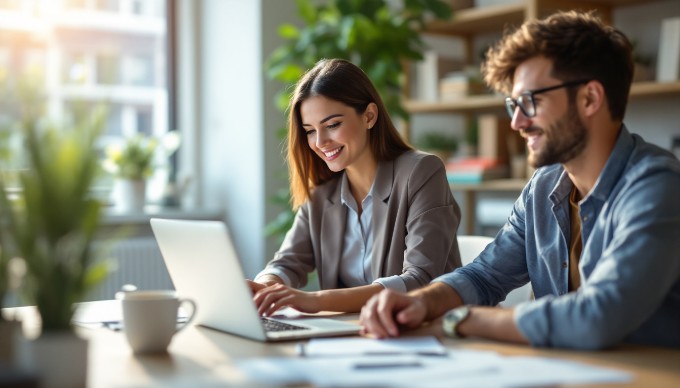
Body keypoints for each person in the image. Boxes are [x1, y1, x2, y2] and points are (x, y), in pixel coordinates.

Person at [360, 11, 680, 350]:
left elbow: (597, 318)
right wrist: (422, 302)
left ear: (590, 98)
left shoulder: (657, 188)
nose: (516, 122)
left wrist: (460, 319)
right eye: (513, 104)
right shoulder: (544, 187)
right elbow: (484, 276)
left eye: (530, 101)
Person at [249, 58, 462, 316]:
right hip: (352, 335)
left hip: (424, 333)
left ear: (369, 116)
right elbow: (287, 263)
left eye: (332, 125)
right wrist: (265, 287)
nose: (320, 142)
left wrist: (315, 300)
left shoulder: (421, 172)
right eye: (309, 130)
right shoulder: (322, 193)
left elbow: (420, 280)